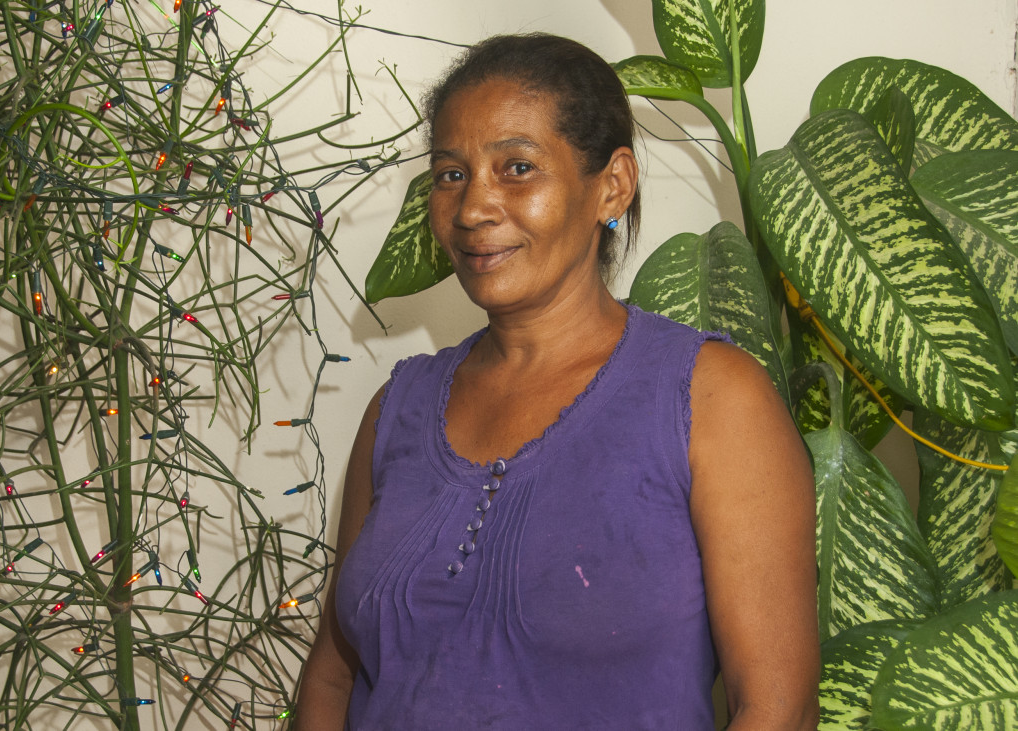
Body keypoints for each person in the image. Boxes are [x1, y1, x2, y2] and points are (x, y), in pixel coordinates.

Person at [295, 34, 818, 729]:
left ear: (613, 185)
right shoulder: (398, 407)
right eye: (451, 174)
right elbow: (333, 677)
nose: (473, 207)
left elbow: (778, 708)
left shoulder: (711, 398)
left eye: (517, 168)